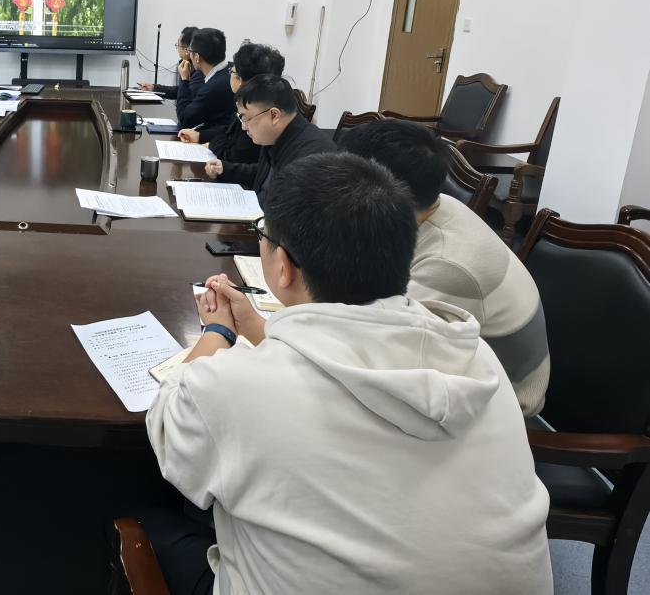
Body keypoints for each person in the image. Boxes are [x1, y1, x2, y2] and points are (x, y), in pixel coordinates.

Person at [144, 153, 552, 595]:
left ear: (283, 266)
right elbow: (349, 359)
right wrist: (257, 328)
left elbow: (167, 420)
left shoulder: (235, 388)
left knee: (147, 506)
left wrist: (218, 332)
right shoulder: (477, 357)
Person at [339, 119, 550, 415]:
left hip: (501, 409)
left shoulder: (448, 266)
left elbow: (386, 358)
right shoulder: (428, 206)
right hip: (448, 374)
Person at [205, 74, 334, 204]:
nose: (244, 127)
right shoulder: (276, 135)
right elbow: (264, 175)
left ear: (274, 115)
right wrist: (226, 170)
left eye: (246, 118)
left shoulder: (309, 156)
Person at [178, 42, 285, 168]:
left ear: (241, 81)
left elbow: (234, 155)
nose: (229, 74)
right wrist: (200, 135)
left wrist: (212, 145)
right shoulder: (251, 101)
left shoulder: (258, 116)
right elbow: (229, 130)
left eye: (231, 71)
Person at [174, 28, 233, 137]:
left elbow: (184, 119)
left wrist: (184, 79)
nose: (189, 55)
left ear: (197, 57)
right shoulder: (230, 69)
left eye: (190, 51)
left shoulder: (212, 88)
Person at [138, 26, 203, 100]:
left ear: (187, 50)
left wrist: (185, 80)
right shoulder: (187, 64)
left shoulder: (198, 71)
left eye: (178, 45)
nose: (177, 48)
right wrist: (153, 88)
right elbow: (180, 91)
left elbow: (187, 97)